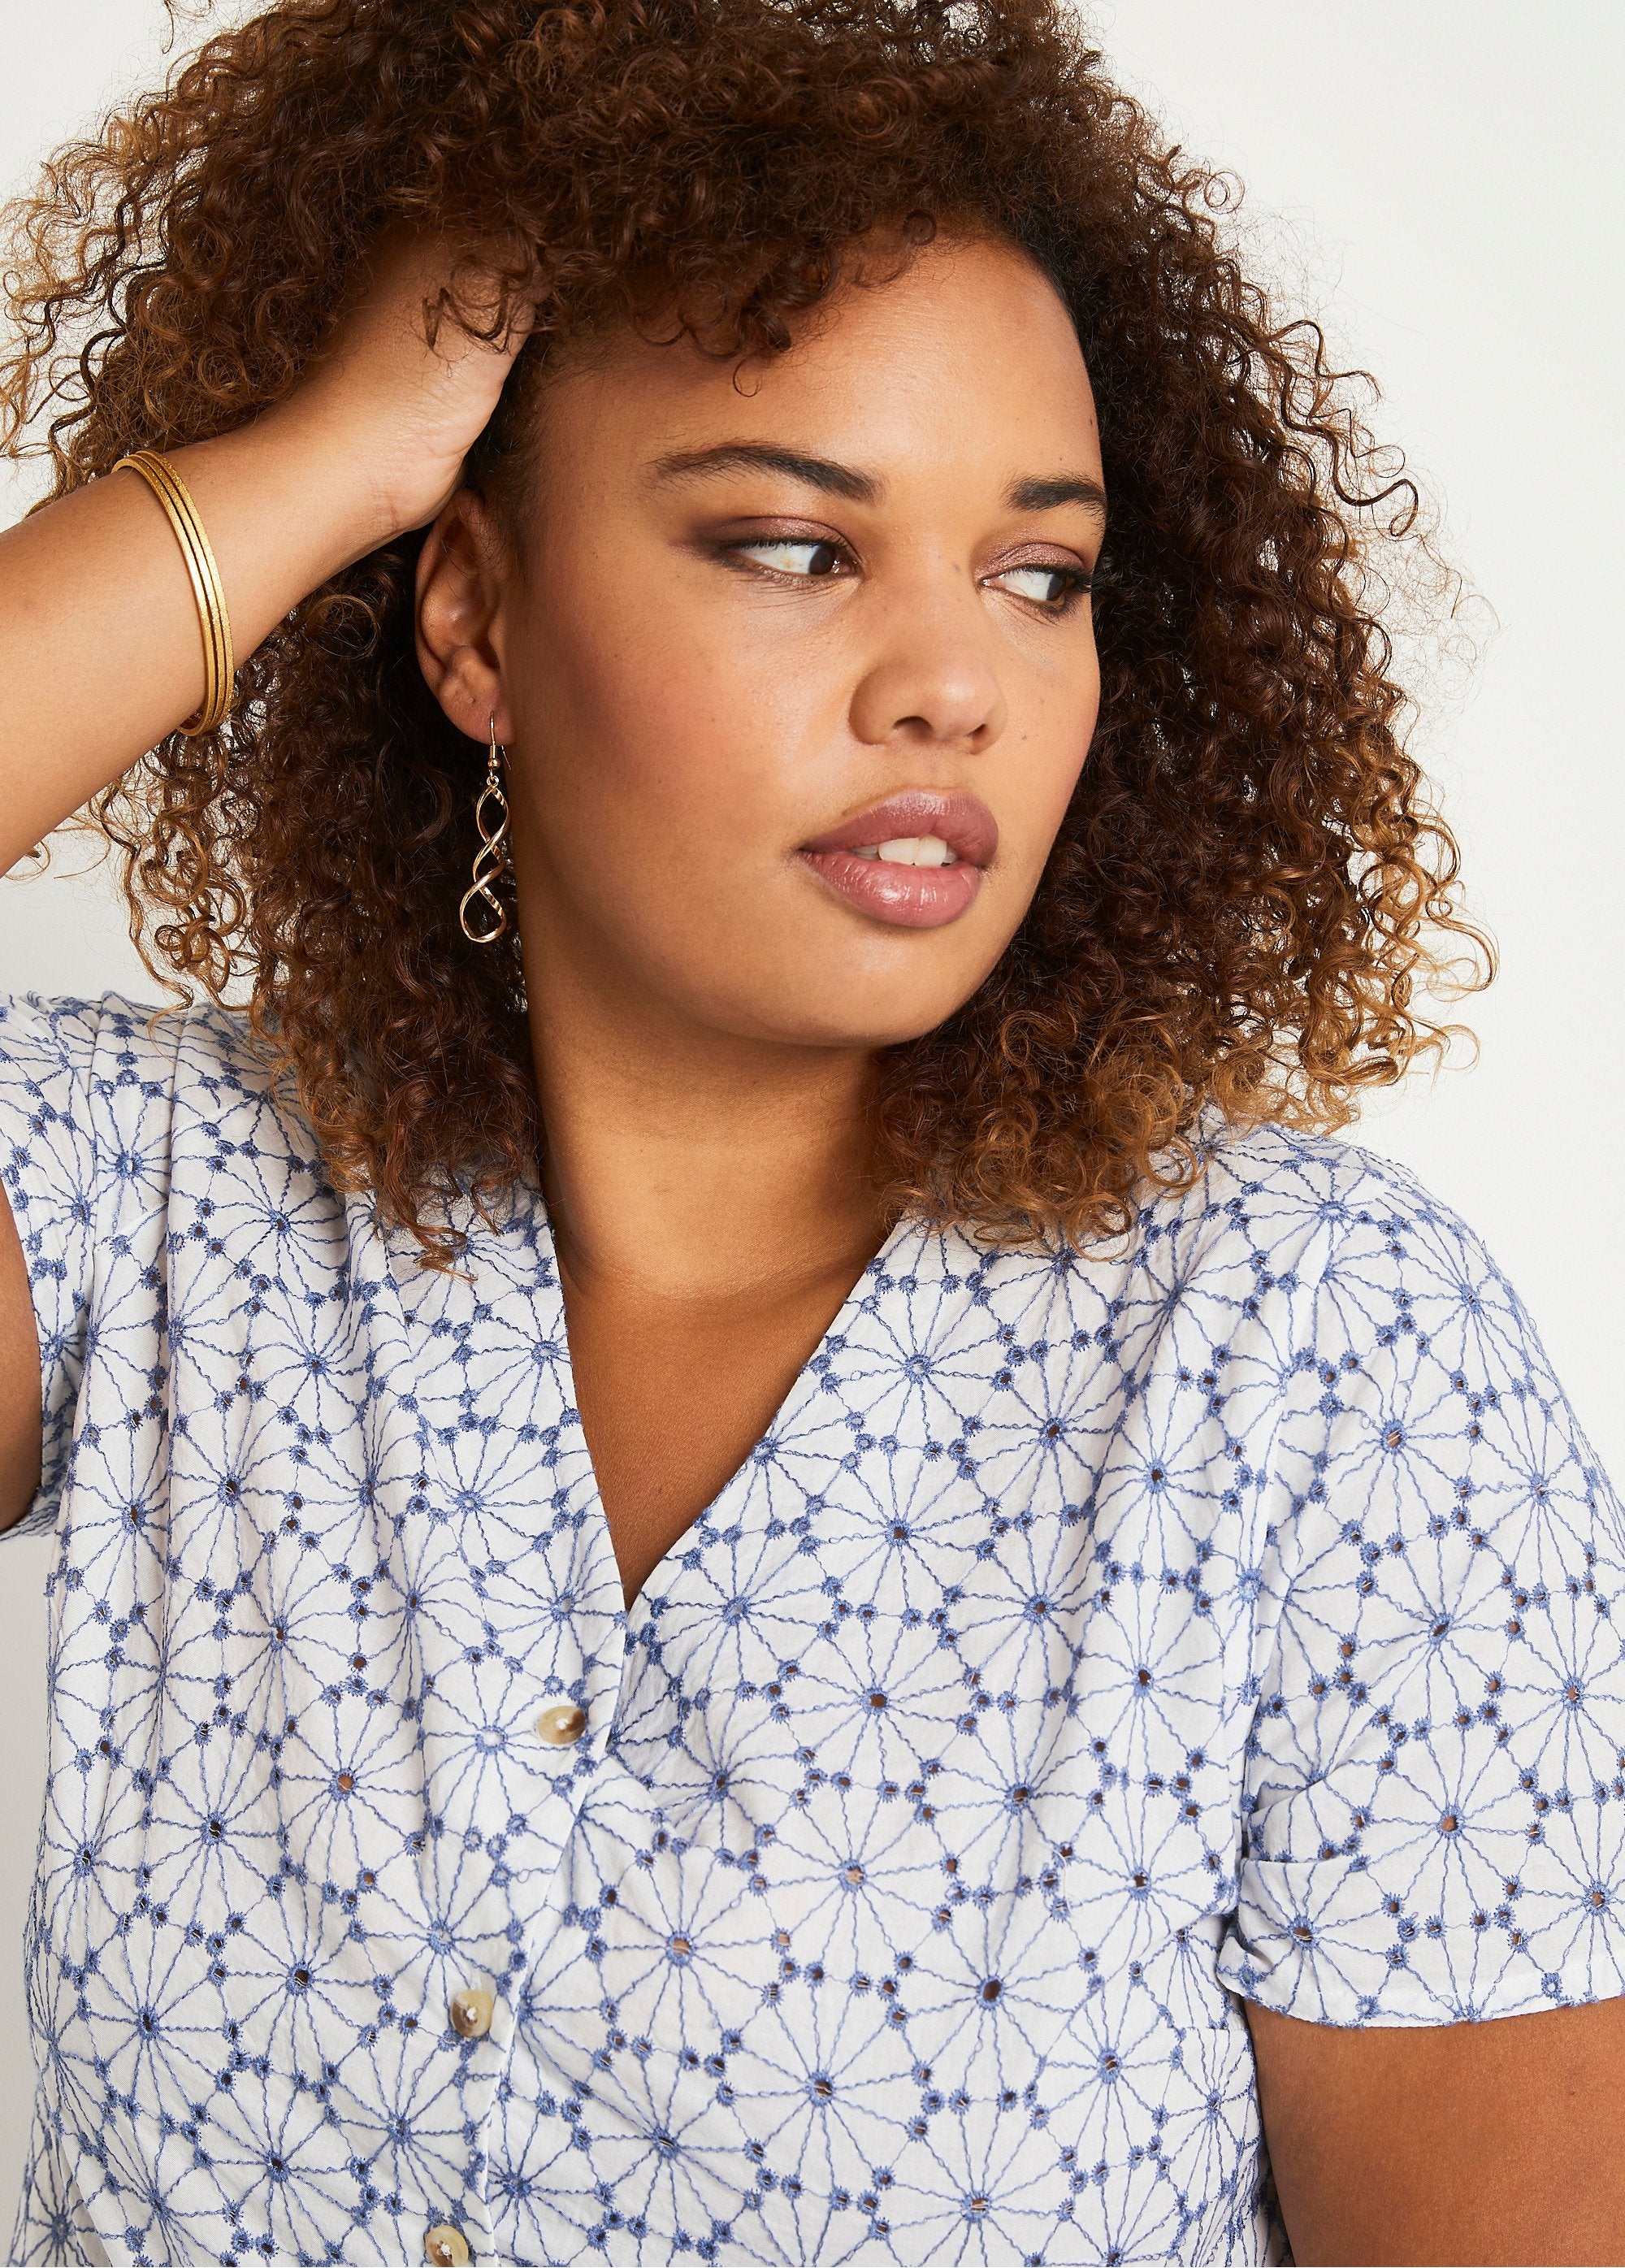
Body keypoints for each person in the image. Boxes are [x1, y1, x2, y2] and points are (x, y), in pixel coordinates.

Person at [0, 0, 1620, 2261]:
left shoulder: (1314, 1357)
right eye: (791, 544)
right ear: (471, 618)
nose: (949, 680)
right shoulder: (154, 1213)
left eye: (1039, 575)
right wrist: (339, 457)